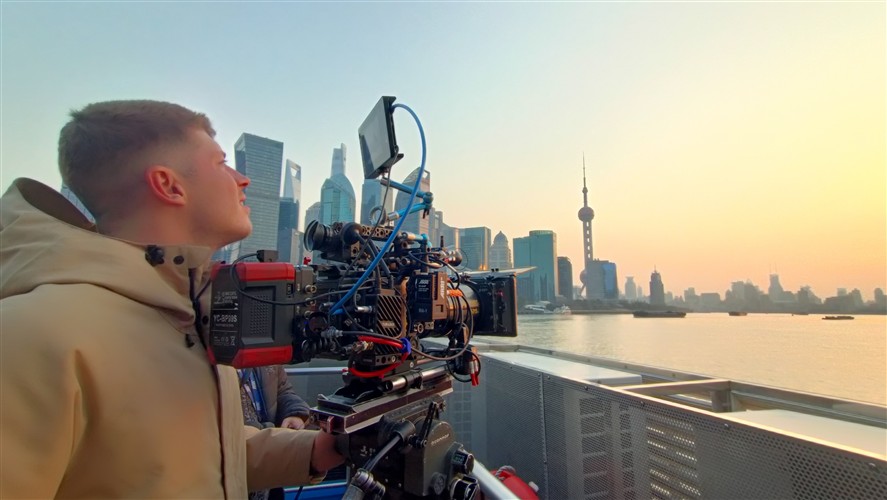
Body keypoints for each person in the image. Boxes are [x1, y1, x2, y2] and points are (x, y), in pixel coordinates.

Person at [0, 99, 343, 498]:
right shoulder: (29, 335)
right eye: (220, 163)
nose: (241, 179)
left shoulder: (186, 313)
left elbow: (207, 456)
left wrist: (317, 449)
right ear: (168, 185)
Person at [239, 366, 313, 500]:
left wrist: (295, 413)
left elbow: (282, 389)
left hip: (269, 481)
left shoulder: (264, 349)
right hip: (235, 478)